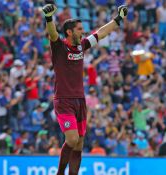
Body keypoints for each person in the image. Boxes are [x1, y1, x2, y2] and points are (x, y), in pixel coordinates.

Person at [42, 1, 128, 175]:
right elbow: (52, 33)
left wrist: (118, 18)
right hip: (64, 100)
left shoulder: (81, 45)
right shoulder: (59, 46)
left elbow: (101, 33)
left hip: (80, 100)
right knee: (72, 139)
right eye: (79, 29)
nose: (83, 31)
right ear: (69, 32)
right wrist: (49, 18)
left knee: (79, 143)